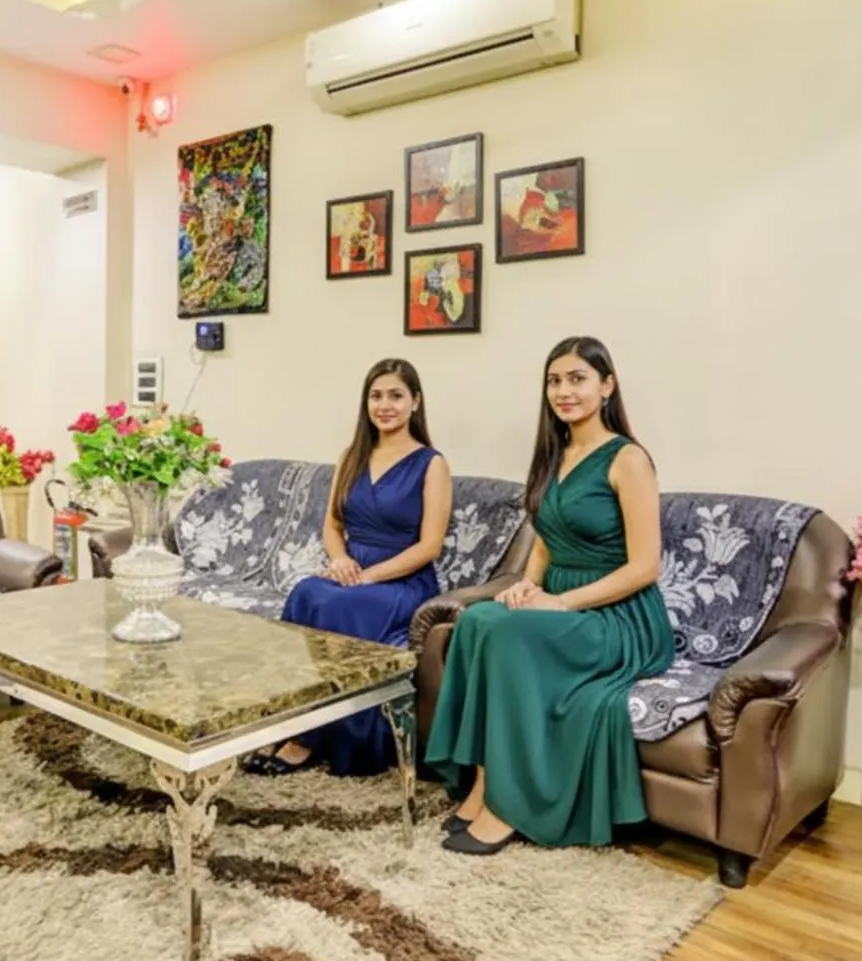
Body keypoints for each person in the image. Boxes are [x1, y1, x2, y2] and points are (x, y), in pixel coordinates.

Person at [424, 336, 674, 854]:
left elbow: (645, 567)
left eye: (578, 379)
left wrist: (560, 603)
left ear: (607, 386)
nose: (564, 391)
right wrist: (528, 585)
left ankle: (508, 806)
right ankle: (483, 784)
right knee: (475, 620)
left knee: (499, 630)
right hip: (560, 601)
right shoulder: (556, 454)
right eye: (555, 380)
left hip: (619, 617)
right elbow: (546, 537)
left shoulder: (628, 459)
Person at [246, 358, 453, 776]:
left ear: (416, 401)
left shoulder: (432, 463)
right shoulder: (351, 457)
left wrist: (368, 576)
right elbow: (332, 526)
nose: (385, 405)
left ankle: (313, 739)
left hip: (402, 580)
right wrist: (340, 560)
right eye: (376, 396)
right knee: (306, 591)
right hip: (352, 571)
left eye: (396, 395)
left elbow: (429, 546)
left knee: (339, 606)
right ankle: (293, 722)